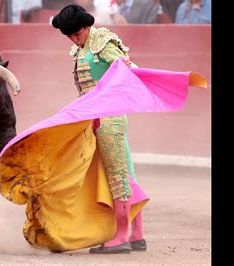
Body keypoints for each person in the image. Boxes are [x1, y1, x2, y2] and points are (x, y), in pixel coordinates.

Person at [51, 4, 146, 254]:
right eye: (70, 36)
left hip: (110, 117)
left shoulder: (103, 40)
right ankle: (137, 235)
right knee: (125, 172)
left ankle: (121, 236)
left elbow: (124, 69)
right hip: (96, 117)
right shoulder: (81, 48)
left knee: (117, 175)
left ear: (85, 26)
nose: (74, 39)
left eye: (77, 33)